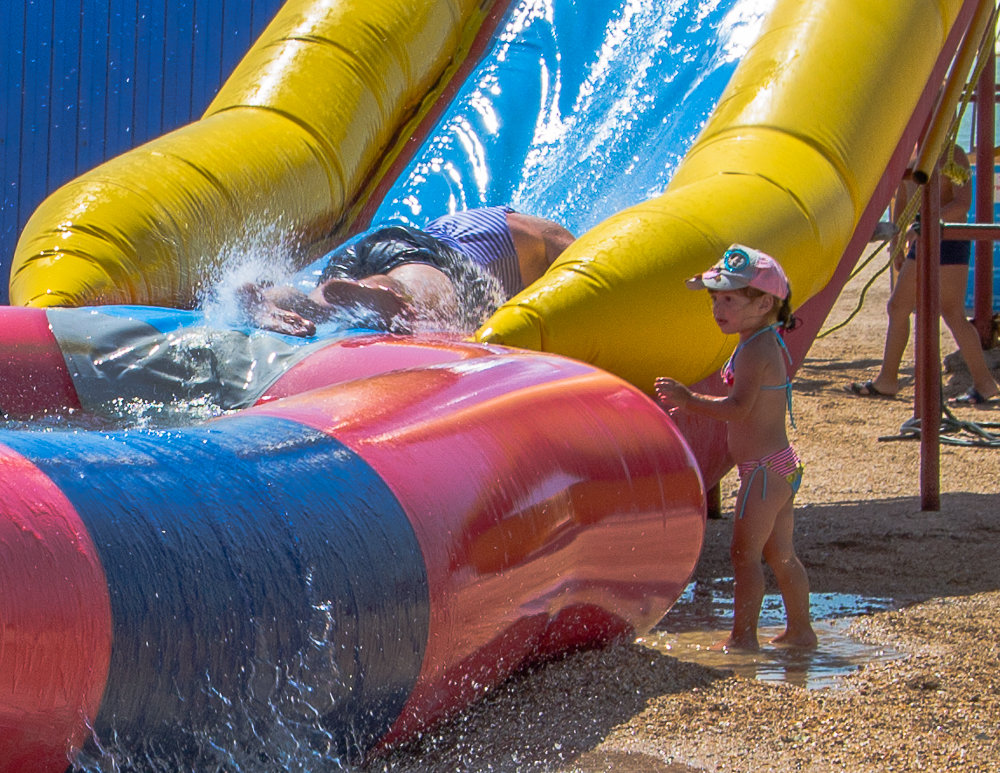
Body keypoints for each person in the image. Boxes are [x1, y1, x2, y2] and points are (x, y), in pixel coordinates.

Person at [654, 245, 816, 652]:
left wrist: (689, 401)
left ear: (764, 303)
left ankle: (743, 638)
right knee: (780, 555)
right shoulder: (761, 340)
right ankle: (801, 631)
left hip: (763, 470)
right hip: (777, 466)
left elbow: (740, 409)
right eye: (714, 299)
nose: (717, 308)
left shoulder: (757, 348)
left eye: (728, 298)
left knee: (743, 555)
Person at [240, 207, 575, 337]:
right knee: (425, 302)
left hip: (371, 243)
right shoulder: (539, 234)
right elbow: (582, 268)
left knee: (317, 308)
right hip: (422, 254)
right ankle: (377, 294)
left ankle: (267, 299)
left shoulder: (462, 222)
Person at [848, 144, 999, 406]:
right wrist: (896, 243)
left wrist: (925, 222)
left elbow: (962, 204)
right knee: (899, 307)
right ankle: (888, 379)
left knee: (949, 311)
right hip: (922, 235)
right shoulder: (910, 155)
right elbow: (903, 201)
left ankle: (984, 383)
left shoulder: (953, 155)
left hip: (947, 237)